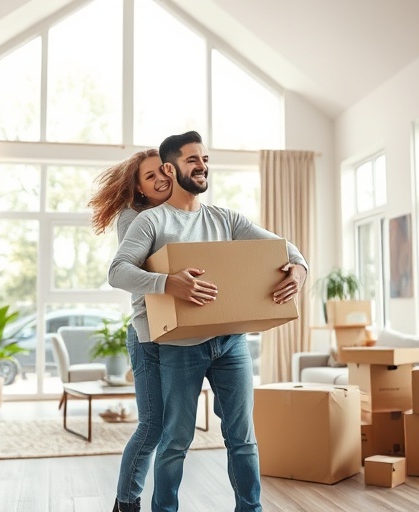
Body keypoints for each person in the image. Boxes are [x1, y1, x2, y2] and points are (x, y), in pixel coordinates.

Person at [108, 131, 307, 512]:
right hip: (177, 346)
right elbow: (118, 272)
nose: (201, 167)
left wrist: (299, 268)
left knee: (243, 438)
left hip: (232, 343)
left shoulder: (226, 218)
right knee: (174, 439)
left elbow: (281, 247)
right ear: (171, 168)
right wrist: (169, 283)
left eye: (205, 159)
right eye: (191, 160)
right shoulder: (149, 221)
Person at [89, 149, 172, 512]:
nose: (160, 180)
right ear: (138, 188)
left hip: (175, 333)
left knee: (170, 427)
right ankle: (125, 503)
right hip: (147, 333)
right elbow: (127, 276)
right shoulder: (133, 217)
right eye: (149, 176)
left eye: (162, 172)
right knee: (152, 426)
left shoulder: (180, 212)